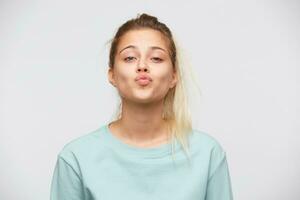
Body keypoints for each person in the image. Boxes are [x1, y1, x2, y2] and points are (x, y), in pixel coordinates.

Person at [50, 13, 234, 200]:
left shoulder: (208, 154)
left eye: (156, 58)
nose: (142, 66)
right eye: (130, 58)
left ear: (173, 76)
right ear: (112, 75)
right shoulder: (76, 159)